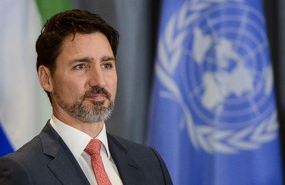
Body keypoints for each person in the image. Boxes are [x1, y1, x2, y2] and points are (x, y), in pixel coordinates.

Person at [0, 9, 173, 185]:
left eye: (106, 65)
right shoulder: (22, 171)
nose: (99, 81)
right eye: (81, 66)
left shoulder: (150, 162)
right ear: (46, 79)